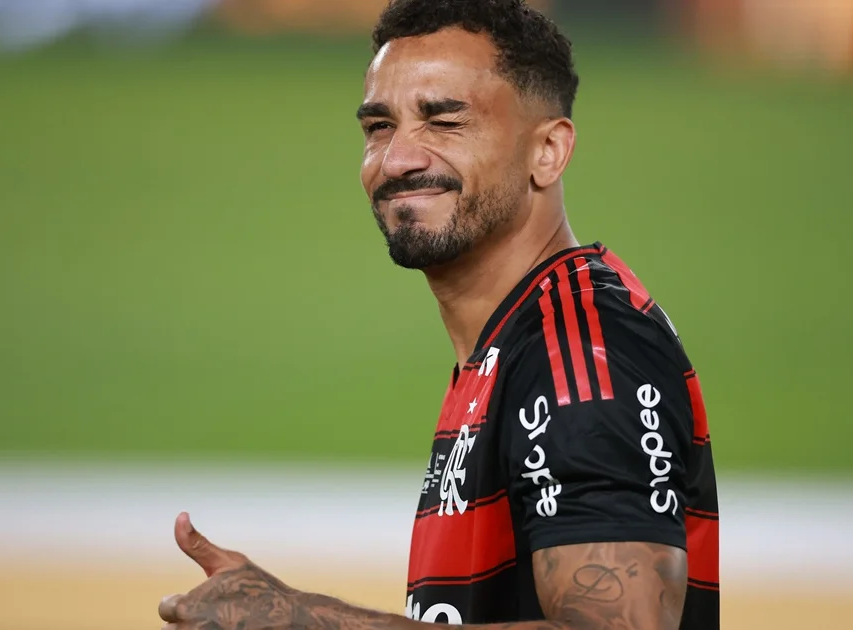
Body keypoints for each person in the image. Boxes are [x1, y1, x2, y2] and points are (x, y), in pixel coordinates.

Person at [157, 1, 719, 628]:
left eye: (445, 121)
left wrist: (303, 621)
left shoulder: (578, 357)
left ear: (549, 152)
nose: (397, 160)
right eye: (378, 127)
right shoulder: (513, 344)